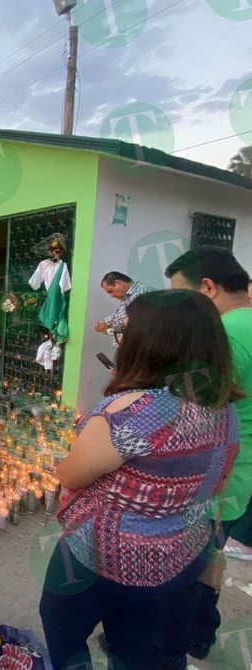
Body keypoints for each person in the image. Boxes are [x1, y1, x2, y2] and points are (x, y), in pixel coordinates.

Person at [39, 289, 241, 670]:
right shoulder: (222, 408)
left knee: (63, 628)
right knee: (133, 644)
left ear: (150, 342)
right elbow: (216, 478)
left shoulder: (134, 411)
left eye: (127, 332)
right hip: (176, 556)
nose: (121, 340)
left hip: (104, 556)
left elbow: (72, 473)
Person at [159, 246, 252, 663]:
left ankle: (171, 646)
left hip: (215, 479)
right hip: (240, 477)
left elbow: (189, 413)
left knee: (184, 572)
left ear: (208, 288)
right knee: (208, 562)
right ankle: (200, 635)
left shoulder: (227, 336)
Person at [94, 271, 154, 347]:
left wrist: (107, 330)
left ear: (118, 283)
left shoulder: (143, 293)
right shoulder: (127, 299)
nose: (111, 296)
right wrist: (104, 324)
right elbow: (118, 320)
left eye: (110, 291)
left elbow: (135, 329)